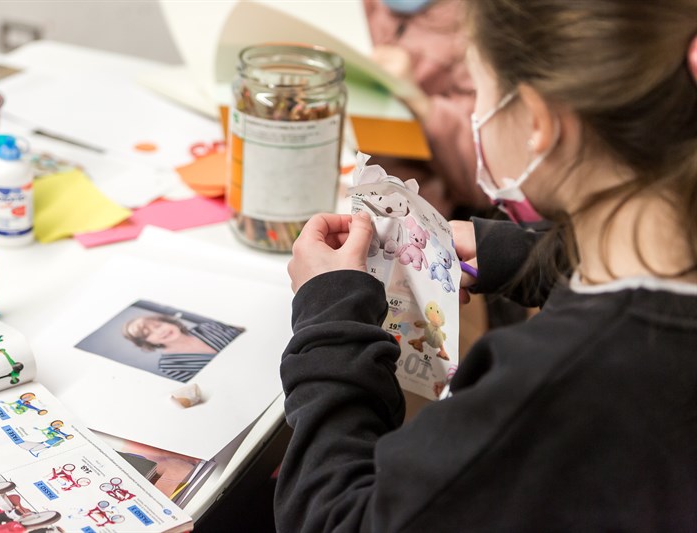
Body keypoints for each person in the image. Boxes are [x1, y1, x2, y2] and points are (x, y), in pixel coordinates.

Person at [276, 1, 697, 530]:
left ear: (539, 122)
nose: (477, 117)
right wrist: (519, 253)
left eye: (481, 90)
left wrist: (329, 322)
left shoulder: (547, 386)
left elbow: (334, 517)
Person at [365, 0, 489, 217]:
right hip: (345, 180)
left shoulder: (477, 26)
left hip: (413, 213)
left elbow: (483, 175)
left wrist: (417, 101)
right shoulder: (365, 10)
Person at [123, 313, 244, 382]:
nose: (160, 332)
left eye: (158, 325)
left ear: (168, 322)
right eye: (148, 334)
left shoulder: (208, 327)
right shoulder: (168, 365)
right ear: (146, 342)